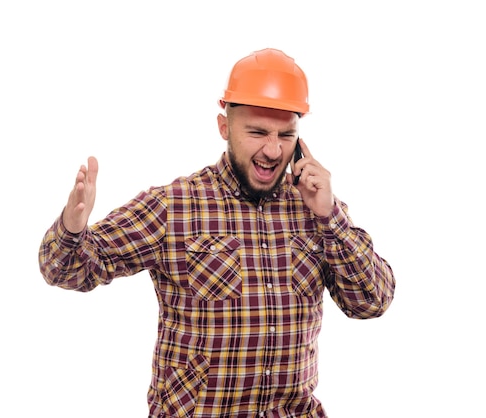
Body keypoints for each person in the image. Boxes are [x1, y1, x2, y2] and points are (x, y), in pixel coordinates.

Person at [38, 48, 395, 418]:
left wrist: (330, 217)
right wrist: (71, 227)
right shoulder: (173, 206)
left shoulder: (318, 210)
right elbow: (64, 270)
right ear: (224, 127)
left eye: (286, 135)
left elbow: (372, 301)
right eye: (257, 132)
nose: (273, 150)